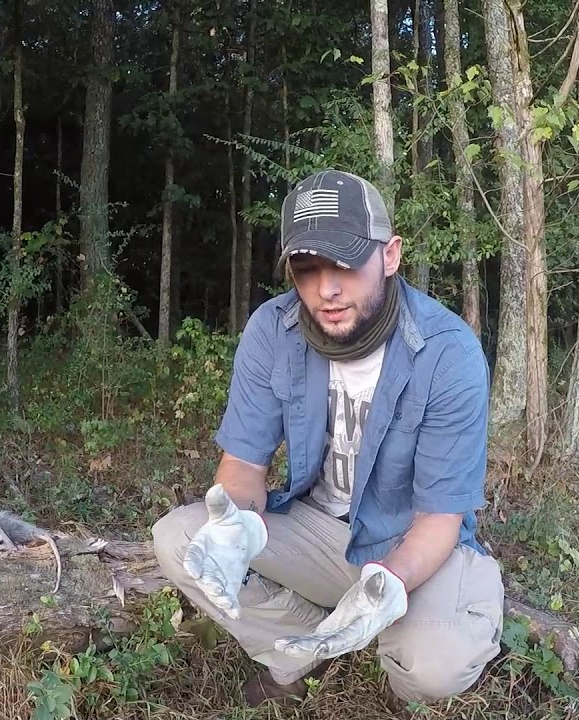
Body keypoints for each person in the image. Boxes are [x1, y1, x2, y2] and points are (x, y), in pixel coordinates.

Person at [151, 169, 504, 708]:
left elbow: (438, 520)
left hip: (412, 543)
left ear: (390, 256)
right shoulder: (273, 329)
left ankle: (397, 621)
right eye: (306, 268)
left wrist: (389, 583)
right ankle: (299, 647)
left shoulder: (447, 353)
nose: (326, 289)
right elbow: (242, 470)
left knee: (433, 672)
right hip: (319, 530)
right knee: (181, 538)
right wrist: (234, 527)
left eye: (344, 264)